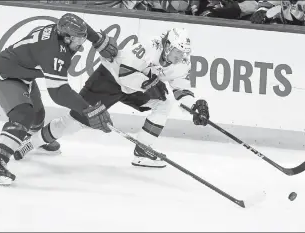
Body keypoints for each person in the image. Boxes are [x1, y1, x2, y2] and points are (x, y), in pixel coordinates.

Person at [15, 27, 210, 171]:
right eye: (177, 51)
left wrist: (194, 106)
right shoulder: (150, 45)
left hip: (138, 85)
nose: (180, 57)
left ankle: (142, 152)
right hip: (109, 79)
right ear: (167, 46)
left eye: (183, 53)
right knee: (73, 123)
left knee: (164, 104)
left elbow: (180, 89)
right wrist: (148, 82)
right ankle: (31, 142)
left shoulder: (182, 63)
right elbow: (124, 72)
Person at [0, 13, 118, 185]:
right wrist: (87, 109)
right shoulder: (54, 53)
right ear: (66, 38)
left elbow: (80, 23)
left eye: (82, 40)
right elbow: (58, 92)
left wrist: (97, 40)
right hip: (5, 76)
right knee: (24, 115)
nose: (81, 45)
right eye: (78, 40)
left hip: (23, 73)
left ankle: (28, 140)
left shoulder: (61, 30)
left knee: (38, 115)